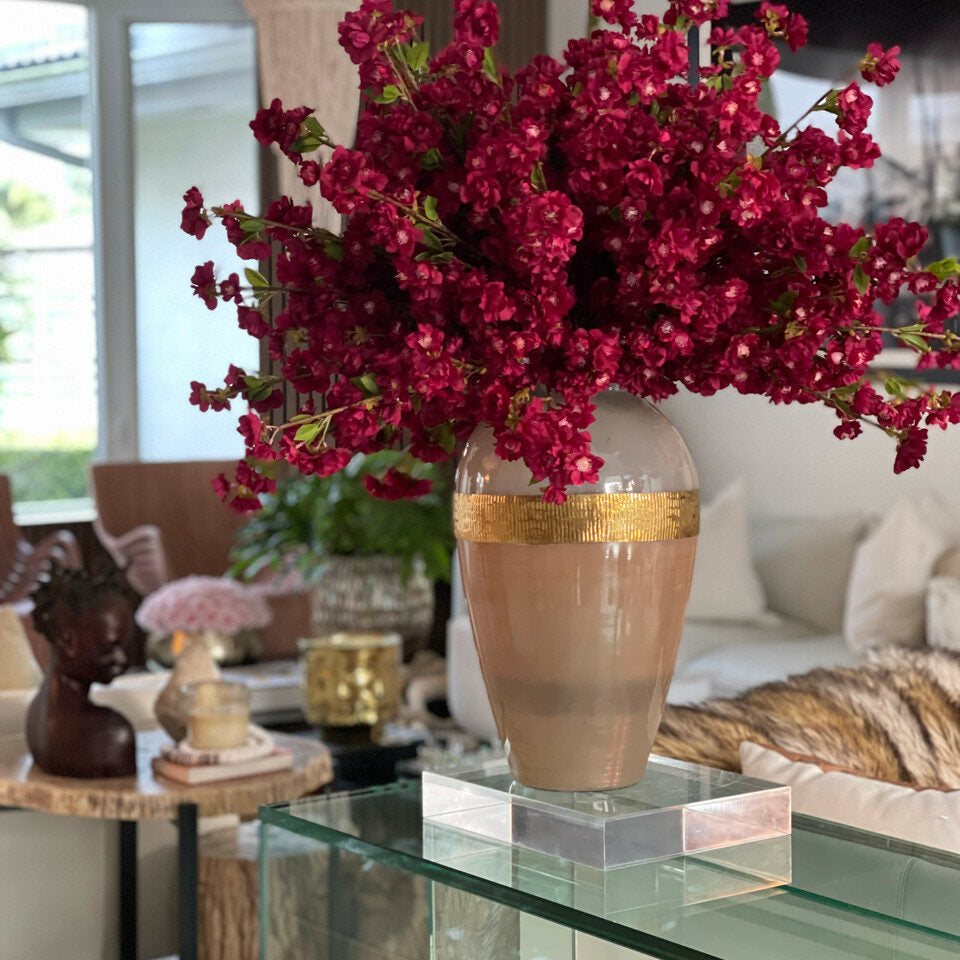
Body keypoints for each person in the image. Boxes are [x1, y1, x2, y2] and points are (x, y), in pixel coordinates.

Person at [27, 565, 137, 778]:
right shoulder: (110, 734)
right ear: (66, 638)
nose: (122, 660)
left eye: (123, 647)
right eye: (108, 648)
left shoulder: (36, 712)